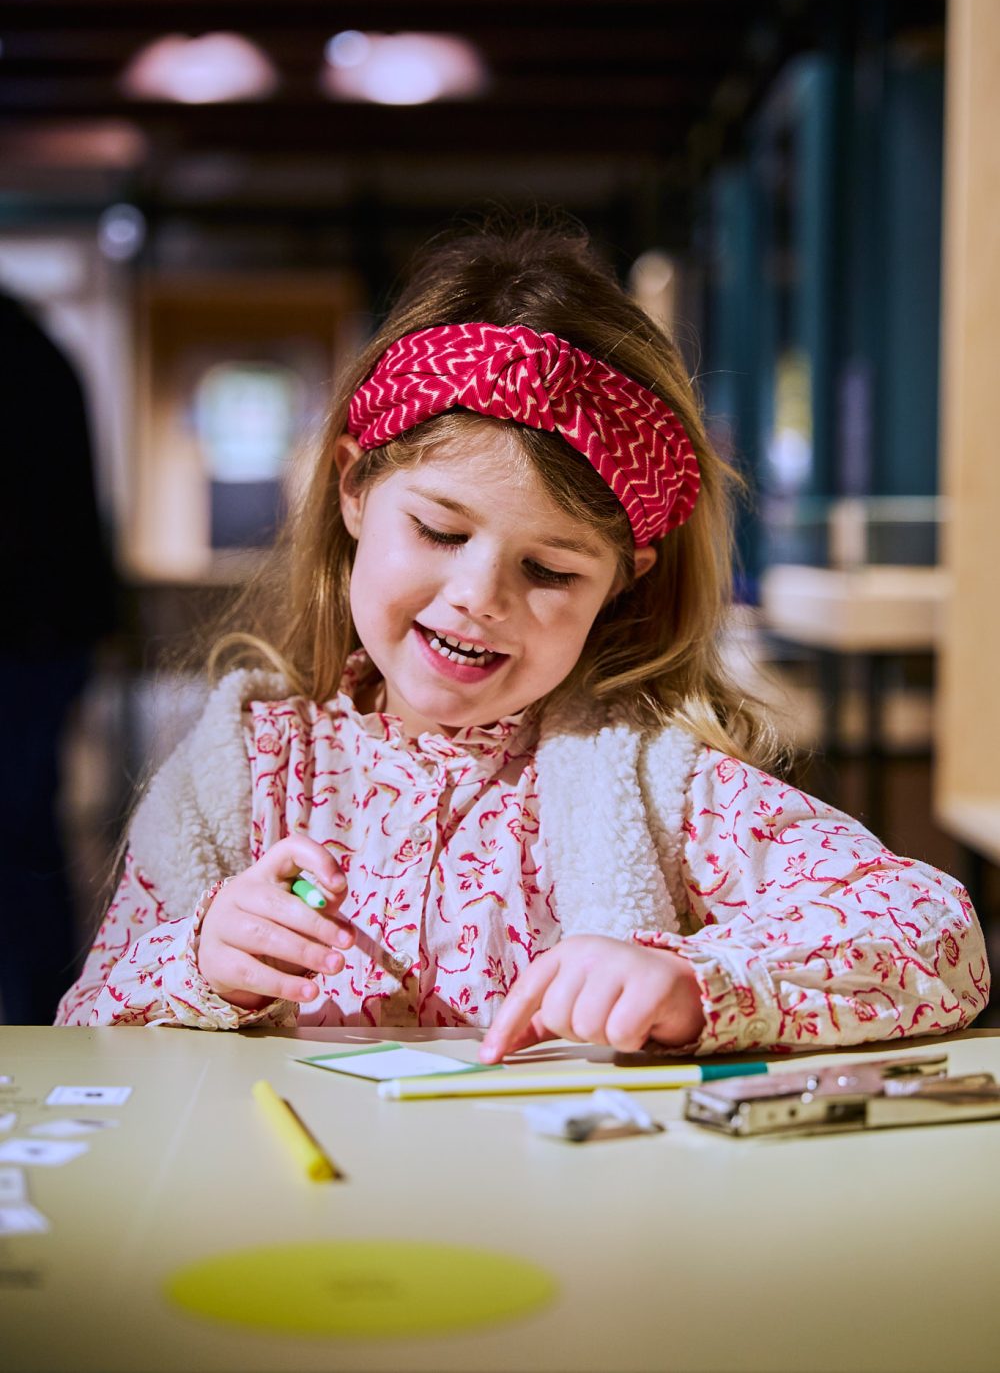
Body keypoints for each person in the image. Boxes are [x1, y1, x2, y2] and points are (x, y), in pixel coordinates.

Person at [56, 222, 988, 1057]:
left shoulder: (652, 778)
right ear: (352, 488)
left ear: (626, 578)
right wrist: (202, 958)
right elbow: (81, 1035)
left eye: (550, 570)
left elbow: (939, 937)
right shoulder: (244, 769)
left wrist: (697, 982)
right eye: (440, 531)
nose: (477, 599)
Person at [1, 290, 117, 1024]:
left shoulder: (26, 354)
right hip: (45, 638)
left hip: (28, 638)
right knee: (27, 838)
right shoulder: (37, 348)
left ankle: (45, 1016)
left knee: (23, 842)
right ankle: (45, 1018)